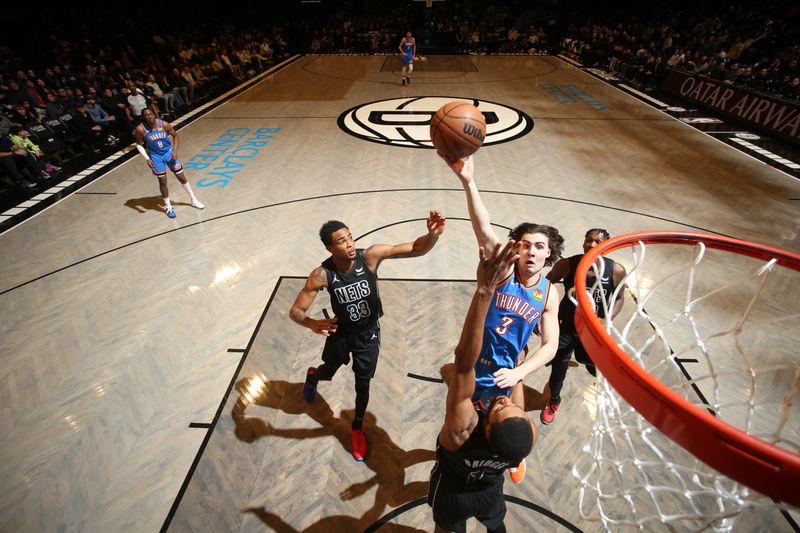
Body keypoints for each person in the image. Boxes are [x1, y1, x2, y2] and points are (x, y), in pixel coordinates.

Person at [444, 154, 562, 483]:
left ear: (548, 253)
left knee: (512, 421)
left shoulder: (549, 293)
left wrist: (518, 372)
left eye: (539, 246)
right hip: (472, 362)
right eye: (525, 245)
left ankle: (511, 457)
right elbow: (484, 232)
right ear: (517, 249)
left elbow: (551, 345)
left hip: (508, 369)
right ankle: (456, 461)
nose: (531, 252)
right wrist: (469, 182)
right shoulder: (504, 270)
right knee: (459, 424)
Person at [290, 212, 446, 460]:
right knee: (327, 372)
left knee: (362, 384)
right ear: (330, 247)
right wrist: (311, 323)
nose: (350, 243)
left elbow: (416, 249)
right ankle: (313, 376)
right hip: (341, 333)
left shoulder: (369, 256)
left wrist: (432, 235)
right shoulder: (322, 274)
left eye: (350, 237)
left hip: (368, 334)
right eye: (342, 241)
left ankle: (357, 427)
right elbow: (295, 311)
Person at [428, 240, 535, 533]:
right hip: (490, 489)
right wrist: (518, 349)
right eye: (512, 405)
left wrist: (485, 291)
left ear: (487, 429)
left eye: (501, 407)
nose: (505, 402)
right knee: (497, 526)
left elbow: (463, 362)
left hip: (454, 493)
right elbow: (516, 379)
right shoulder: (521, 435)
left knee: (446, 529)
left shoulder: (462, 429)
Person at [541, 228, 627, 425]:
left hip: (591, 331)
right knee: (558, 369)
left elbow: (620, 299)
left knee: (590, 362)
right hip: (565, 326)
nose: (591, 245)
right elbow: (545, 285)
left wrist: (607, 320)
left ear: (607, 244)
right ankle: (554, 400)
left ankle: (603, 385)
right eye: (588, 240)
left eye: (597, 241)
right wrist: (543, 313)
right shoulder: (568, 264)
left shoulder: (616, 271)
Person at [134, 107, 204, 218]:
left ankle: (193, 199)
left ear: (154, 114)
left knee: (181, 176)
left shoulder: (164, 124)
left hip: (168, 153)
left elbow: (175, 135)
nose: (149, 116)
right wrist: (147, 158)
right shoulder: (140, 129)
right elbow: (138, 144)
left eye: (150, 114)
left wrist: (175, 151)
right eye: (146, 115)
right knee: (162, 180)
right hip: (155, 156)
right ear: (144, 117)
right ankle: (168, 206)